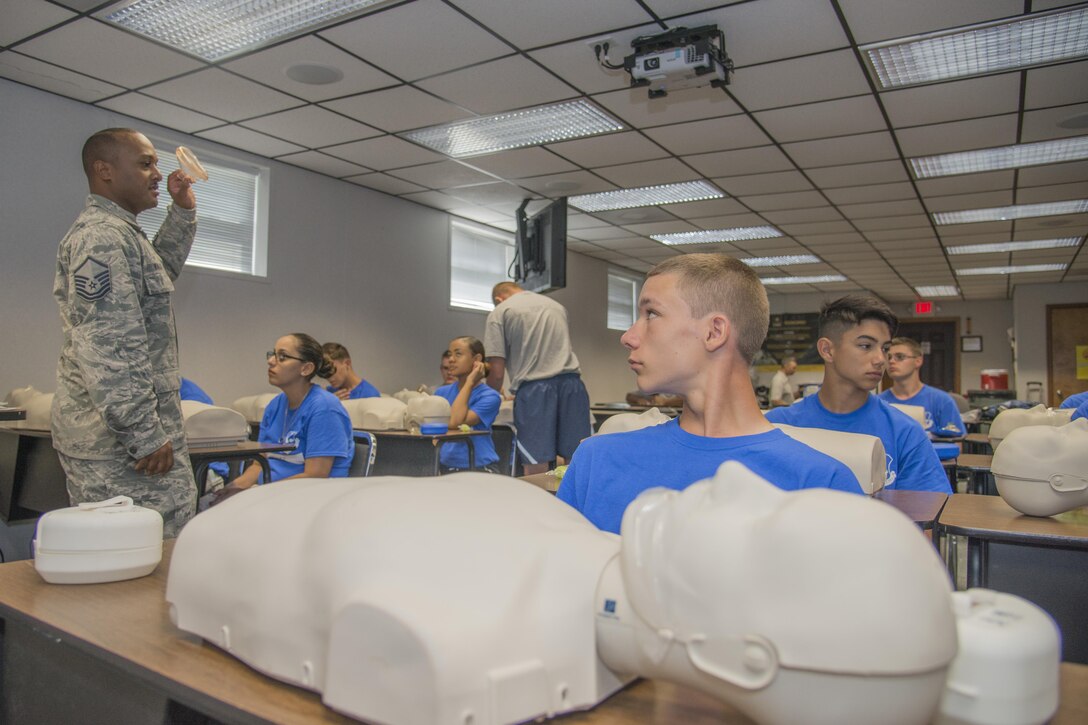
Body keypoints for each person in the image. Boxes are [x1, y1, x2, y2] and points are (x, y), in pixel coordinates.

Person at [557, 254, 862, 534]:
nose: (628, 337)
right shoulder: (596, 460)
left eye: (651, 314)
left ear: (714, 332)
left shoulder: (822, 485)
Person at [51, 128, 197, 538]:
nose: (157, 173)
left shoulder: (122, 234)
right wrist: (144, 433)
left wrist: (182, 213)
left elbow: (156, 279)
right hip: (117, 444)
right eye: (145, 163)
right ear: (105, 171)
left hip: (126, 435)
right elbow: (108, 344)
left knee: (155, 552)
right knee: (137, 556)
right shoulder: (100, 238)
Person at [765, 296, 951, 493]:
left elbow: (929, 515)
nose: (881, 359)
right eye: (865, 346)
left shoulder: (905, 433)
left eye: (885, 348)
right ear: (827, 350)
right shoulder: (778, 427)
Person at [214, 333, 353, 502]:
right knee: (212, 506)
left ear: (306, 369)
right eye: (273, 354)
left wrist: (255, 495)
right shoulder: (275, 406)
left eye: (282, 357)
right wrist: (235, 488)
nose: (271, 361)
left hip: (309, 499)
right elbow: (259, 464)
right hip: (271, 494)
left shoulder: (325, 408)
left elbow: (315, 476)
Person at [484, 281, 591, 474]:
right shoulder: (557, 307)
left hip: (535, 389)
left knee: (536, 463)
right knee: (575, 458)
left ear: (498, 299)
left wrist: (488, 397)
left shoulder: (500, 311)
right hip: (573, 385)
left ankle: (538, 503)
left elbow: (496, 371)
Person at [434, 336, 502, 473]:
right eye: (450, 354)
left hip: (479, 467)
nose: (451, 359)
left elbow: (456, 422)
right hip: (445, 466)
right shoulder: (441, 393)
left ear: (476, 360)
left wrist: (470, 382)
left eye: (458, 354)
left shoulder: (490, 396)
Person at [879, 337, 965, 438]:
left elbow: (957, 445)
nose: (891, 361)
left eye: (900, 357)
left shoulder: (942, 401)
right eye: (888, 357)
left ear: (918, 361)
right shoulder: (879, 402)